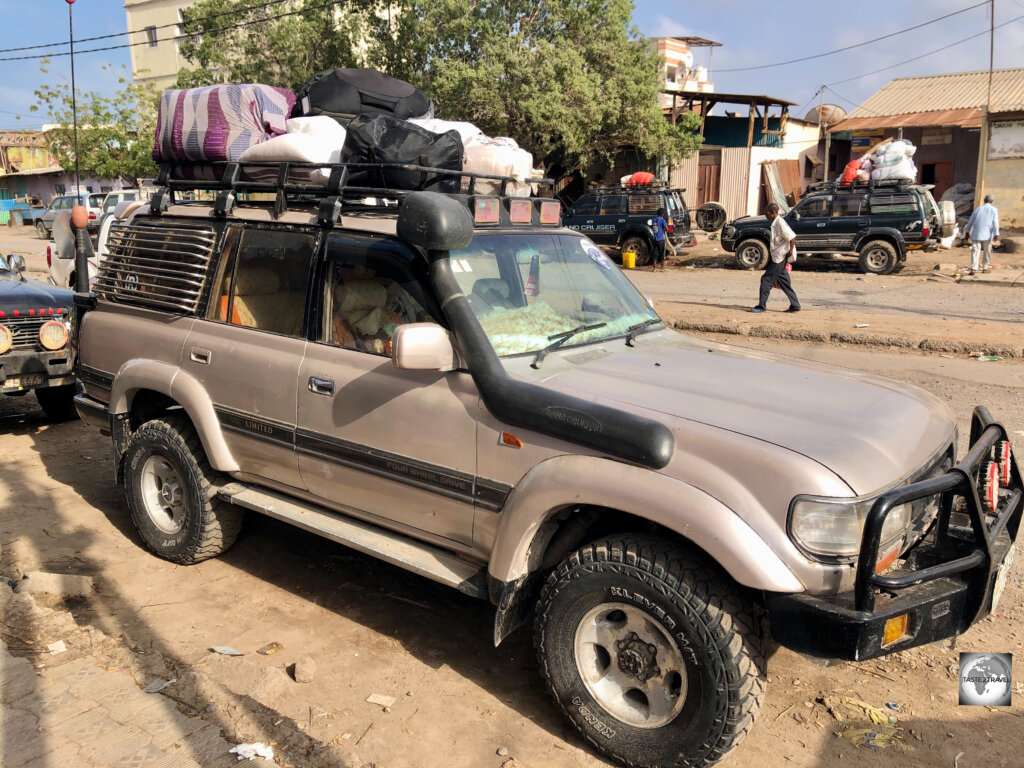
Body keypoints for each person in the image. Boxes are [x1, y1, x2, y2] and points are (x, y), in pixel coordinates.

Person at [751, 202, 800, 313]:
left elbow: (792, 238)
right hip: (778, 256)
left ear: (773, 213)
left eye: (767, 213)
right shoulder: (775, 222)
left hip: (780, 257)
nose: (766, 215)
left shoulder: (780, 223)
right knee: (784, 282)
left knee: (766, 280)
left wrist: (790, 252)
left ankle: (761, 306)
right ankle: (795, 305)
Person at [965, 194, 999, 275]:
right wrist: (996, 233)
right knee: (987, 251)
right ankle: (985, 268)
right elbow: (995, 222)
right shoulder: (994, 210)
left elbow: (970, 221)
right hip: (988, 233)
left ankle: (973, 268)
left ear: (984, 201)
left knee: (975, 251)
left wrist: (967, 231)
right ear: (992, 201)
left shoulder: (978, 209)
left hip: (976, 233)